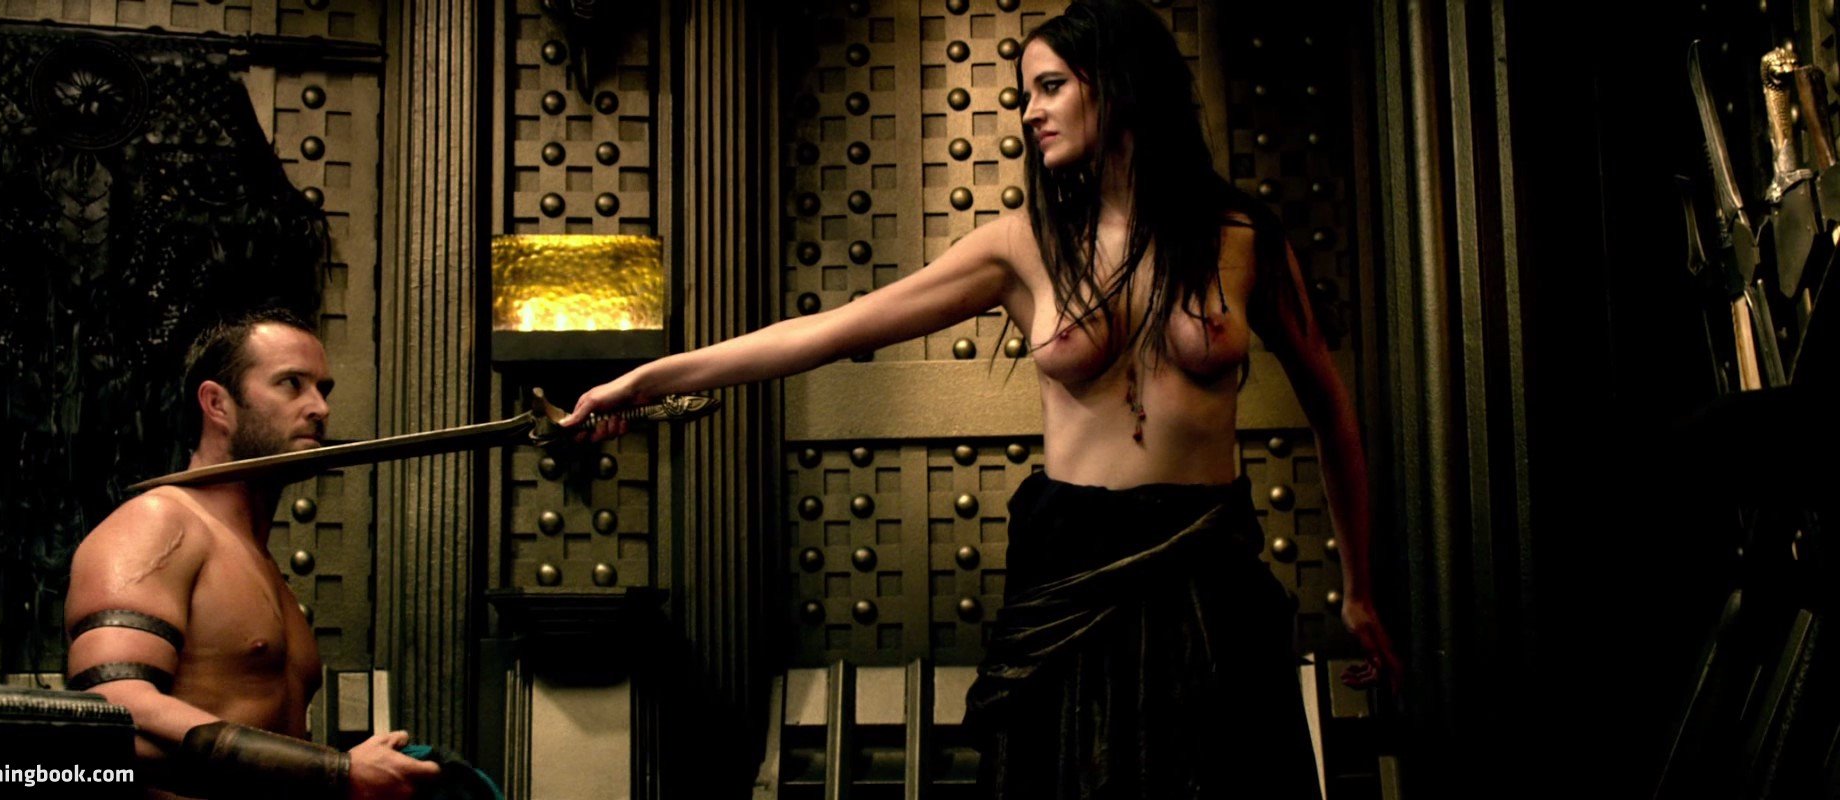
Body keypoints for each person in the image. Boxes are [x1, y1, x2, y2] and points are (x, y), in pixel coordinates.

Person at [562, 1, 1399, 796]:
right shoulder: (1022, 246)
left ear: (1119, 81)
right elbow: (829, 331)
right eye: (1025, 94)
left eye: (1050, 87)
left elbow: (1332, 412)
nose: (1030, 114)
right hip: (1073, 567)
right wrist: (643, 380)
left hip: (1205, 568)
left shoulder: (1243, 238)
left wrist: (1359, 587)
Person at [64, 309, 442, 799]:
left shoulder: (257, 559)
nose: (319, 408)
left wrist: (356, 771)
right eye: (291, 384)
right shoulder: (159, 523)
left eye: (322, 389)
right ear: (217, 404)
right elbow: (111, 705)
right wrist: (335, 771)